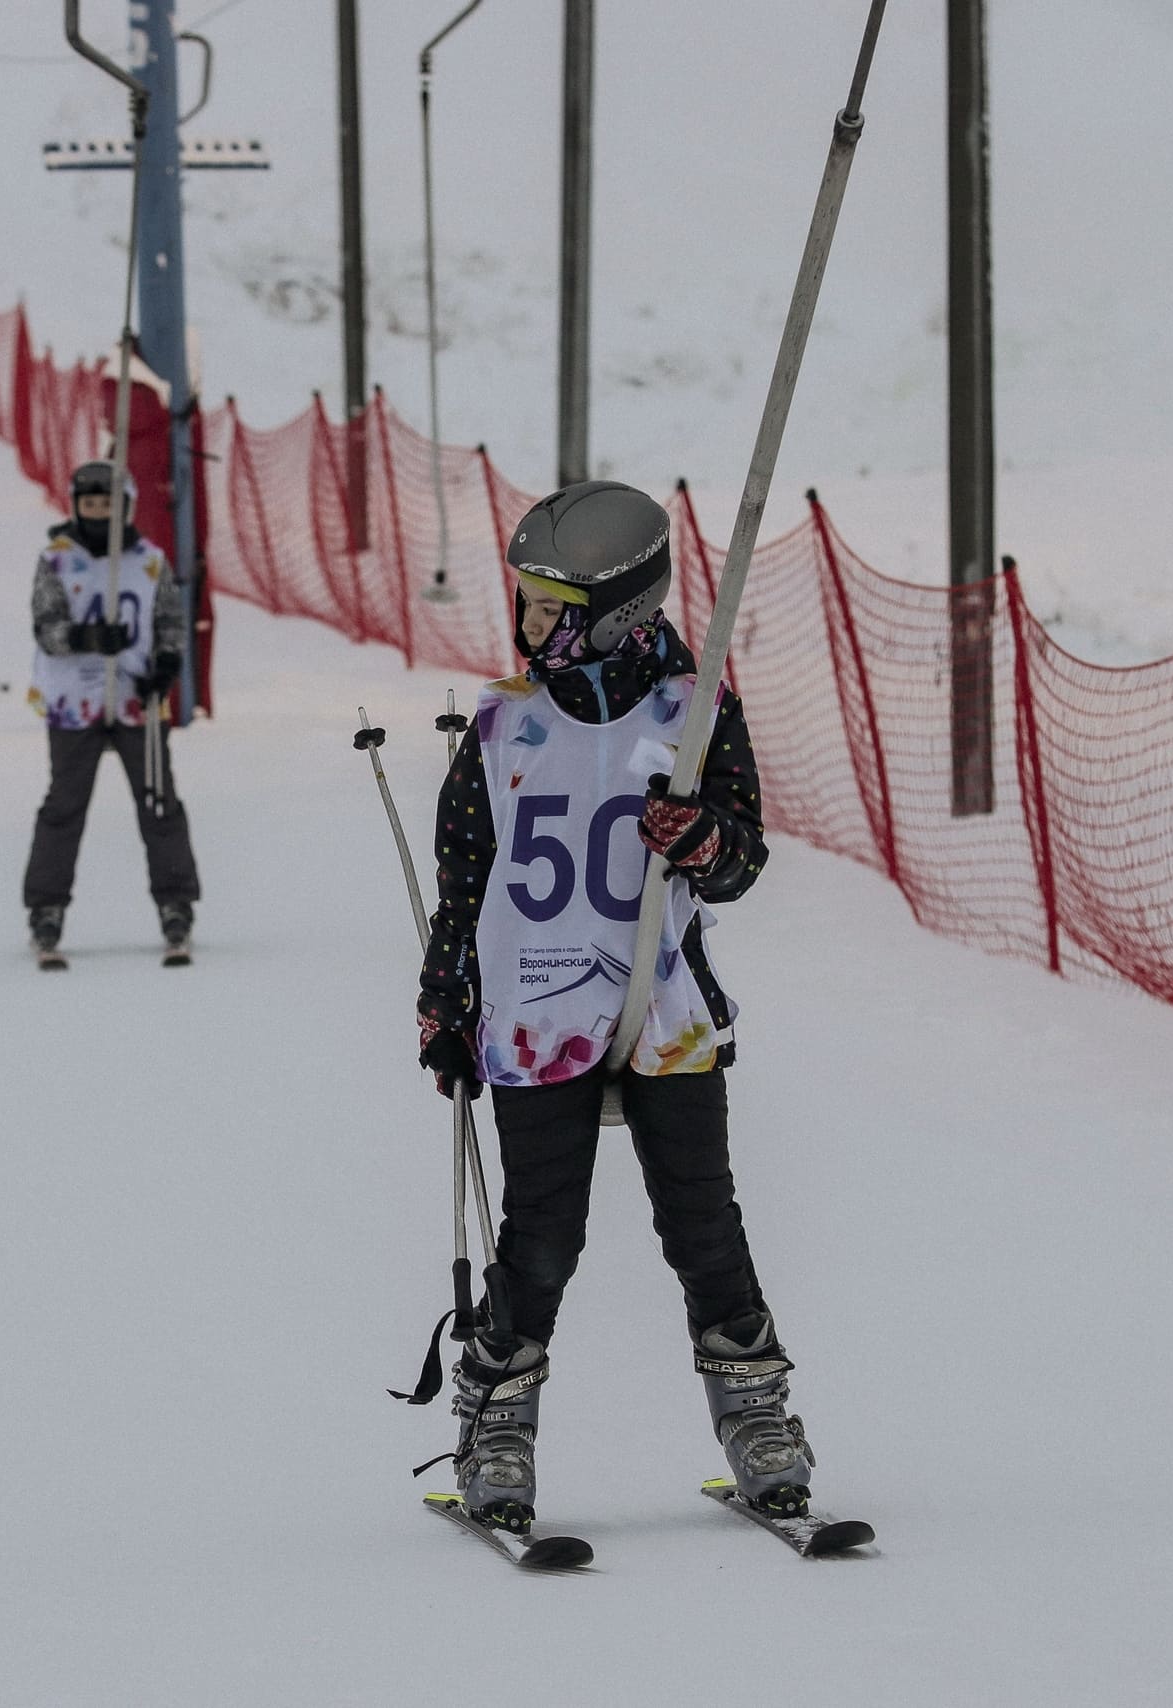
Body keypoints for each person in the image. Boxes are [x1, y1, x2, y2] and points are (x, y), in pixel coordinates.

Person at [412, 480, 802, 1538]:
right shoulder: (503, 722)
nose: (529, 624)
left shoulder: (692, 709)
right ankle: (494, 1423)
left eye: (549, 608)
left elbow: (740, 862)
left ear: (615, 613)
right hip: (536, 1012)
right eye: (527, 603)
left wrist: (700, 839)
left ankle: (759, 1417)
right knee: (543, 1235)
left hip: (660, 1005)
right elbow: (464, 874)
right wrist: (444, 1002)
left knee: (703, 1224)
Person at [21, 461, 200, 969]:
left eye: (109, 506)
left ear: (126, 507)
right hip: (73, 703)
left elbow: (169, 619)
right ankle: (46, 907)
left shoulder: (148, 560)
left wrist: (164, 666)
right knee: (64, 805)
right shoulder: (56, 559)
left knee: (158, 800)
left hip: (134, 700)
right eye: (90, 505)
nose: (99, 514)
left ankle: (176, 902)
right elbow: (45, 625)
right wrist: (85, 638)